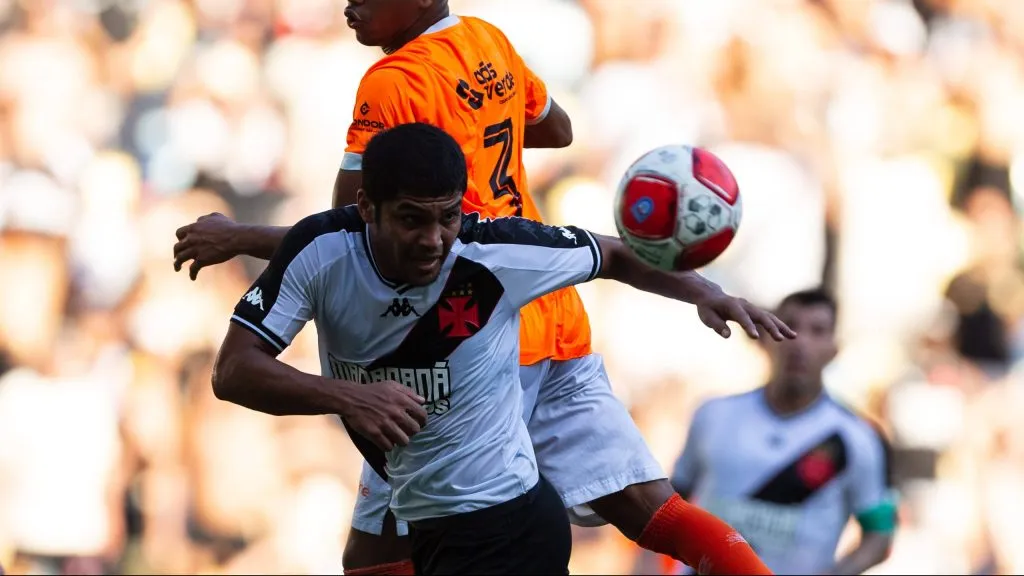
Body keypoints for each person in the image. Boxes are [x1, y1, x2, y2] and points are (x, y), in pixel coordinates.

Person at [173, 2, 791, 574]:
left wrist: (239, 236)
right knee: (651, 511)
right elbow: (558, 129)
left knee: (379, 551)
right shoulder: (487, 41)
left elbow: (352, 228)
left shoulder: (393, 81)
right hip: (548, 304)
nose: (349, 5)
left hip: (464, 328)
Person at [671, 289, 898, 575]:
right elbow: (668, 502)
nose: (799, 342)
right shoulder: (713, 414)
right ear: (764, 338)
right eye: (787, 325)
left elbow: (879, 534)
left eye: (817, 331)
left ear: (834, 349)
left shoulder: (857, 439)